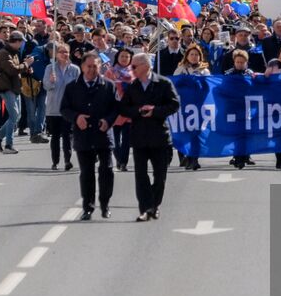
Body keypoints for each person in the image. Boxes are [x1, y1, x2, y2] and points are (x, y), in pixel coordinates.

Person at [122, 53, 180, 220]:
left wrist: (155, 111)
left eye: (134, 66)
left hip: (159, 136)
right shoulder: (133, 86)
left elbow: (174, 104)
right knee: (140, 175)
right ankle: (145, 208)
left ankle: (154, 204)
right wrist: (138, 111)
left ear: (145, 66)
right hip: (139, 136)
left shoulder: (163, 83)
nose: (131, 69)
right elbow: (124, 108)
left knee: (160, 175)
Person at [63, 51, 119, 220]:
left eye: (95, 66)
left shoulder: (108, 85)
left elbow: (116, 108)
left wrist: (108, 121)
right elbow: (64, 109)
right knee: (87, 172)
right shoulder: (72, 87)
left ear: (100, 67)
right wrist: (76, 117)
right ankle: (88, 206)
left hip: (103, 134)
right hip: (83, 135)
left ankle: (105, 204)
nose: (92, 70)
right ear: (82, 67)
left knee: (107, 170)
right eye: (89, 66)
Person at [173, 45, 210, 170]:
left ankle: (194, 158)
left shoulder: (204, 70)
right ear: (187, 56)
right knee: (184, 131)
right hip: (184, 105)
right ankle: (184, 156)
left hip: (198, 106)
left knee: (196, 132)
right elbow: (174, 84)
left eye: (196, 54)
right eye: (192, 54)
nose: (194, 57)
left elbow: (209, 86)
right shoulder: (181, 69)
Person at [43, 42, 78, 171]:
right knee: (55, 137)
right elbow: (46, 86)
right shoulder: (49, 68)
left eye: (66, 52)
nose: (64, 54)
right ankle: (55, 161)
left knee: (68, 136)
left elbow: (79, 88)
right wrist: (51, 81)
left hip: (68, 109)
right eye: (61, 52)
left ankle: (67, 160)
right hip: (53, 108)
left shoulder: (74, 69)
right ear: (56, 54)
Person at [0, 31, 27, 154]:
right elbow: (12, 70)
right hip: (6, 87)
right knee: (14, 116)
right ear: (16, 41)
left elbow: (17, 70)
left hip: (15, 87)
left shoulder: (14, 53)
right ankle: (8, 145)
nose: (22, 44)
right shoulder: (3, 53)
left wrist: (26, 69)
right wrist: (26, 64)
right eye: (21, 42)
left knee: (17, 115)